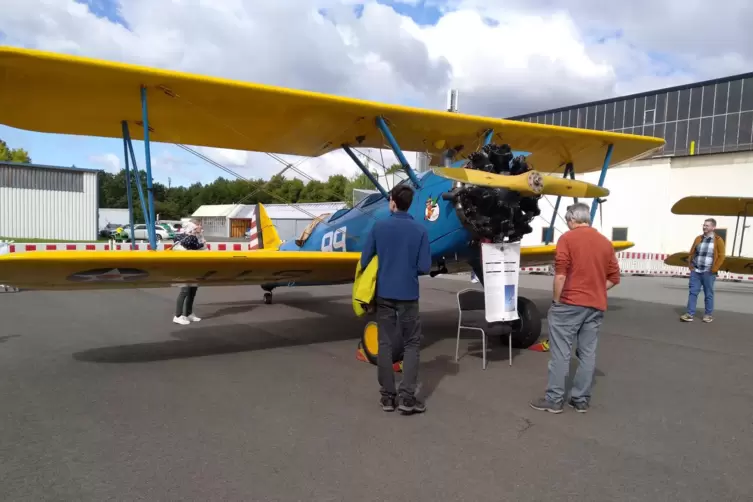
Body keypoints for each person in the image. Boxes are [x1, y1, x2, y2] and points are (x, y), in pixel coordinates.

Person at [530, 203, 620, 414]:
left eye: (567, 220)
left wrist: (556, 301)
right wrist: (596, 289)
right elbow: (614, 278)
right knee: (588, 353)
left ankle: (554, 399)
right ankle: (580, 399)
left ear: (572, 219)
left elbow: (560, 274)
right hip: (595, 305)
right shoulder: (606, 243)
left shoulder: (567, 239)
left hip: (570, 303)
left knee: (560, 352)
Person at [360, 184, 432, 415]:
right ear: (410, 203)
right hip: (409, 294)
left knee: (385, 344)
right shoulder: (420, 231)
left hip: (385, 294)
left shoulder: (378, 227)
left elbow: (364, 260)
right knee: (411, 344)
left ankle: (387, 397)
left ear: (392, 201)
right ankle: (407, 398)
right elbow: (424, 266)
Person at [680, 218, 725, 323]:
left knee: (708, 294)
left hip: (709, 272)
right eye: (704, 225)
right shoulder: (698, 238)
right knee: (693, 292)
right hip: (696, 271)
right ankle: (689, 314)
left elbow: (722, 256)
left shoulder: (718, 240)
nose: (704, 227)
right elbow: (692, 252)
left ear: (713, 227)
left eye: (707, 225)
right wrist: (691, 266)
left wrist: (714, 269)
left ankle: (708, 315)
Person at [172, 220, 207, 325]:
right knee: (185, 290)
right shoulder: (184, 237)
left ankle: (188, 313)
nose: (201, 227)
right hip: (184, 268)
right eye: (198, 226)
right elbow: (195, 246)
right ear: (192, 227)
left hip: (195, 268)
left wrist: (199, 237)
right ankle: (178, 316)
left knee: (192, 291)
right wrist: (197, 238)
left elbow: (203, 249)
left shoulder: (196, 237)